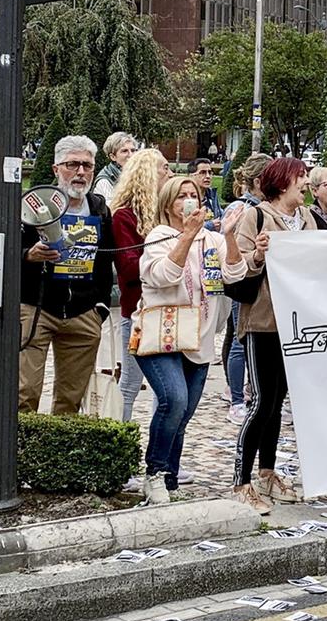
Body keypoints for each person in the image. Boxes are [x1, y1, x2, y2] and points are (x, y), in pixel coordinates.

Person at [224, 155, 315, 512]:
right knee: (261, 400)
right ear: (283, 182)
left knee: (277, 401)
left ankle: (267, 471)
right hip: (262, 321)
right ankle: (240, 481)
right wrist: (259, 255)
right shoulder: (256, 215)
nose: (306, 183)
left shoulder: (306, 218)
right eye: (302, 177)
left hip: (294, 324)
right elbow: (237, 268)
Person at [134, 172, 229, 503]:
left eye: (194, 194)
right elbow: (162, 276)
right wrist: (186, 236)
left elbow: (231, 275)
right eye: (181, 195)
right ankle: (155, 473)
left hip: (199, 337)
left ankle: (170, 479)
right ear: (168, 204)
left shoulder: (212, 239)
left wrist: (233, 240)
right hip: (162, 335)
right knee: (172, 400)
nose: (189, 199)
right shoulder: (159, 236)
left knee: (183, 413)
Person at [16, 137, 114, 414]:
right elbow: (7, 249)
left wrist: (100, 308)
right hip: (37, 307)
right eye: (73, 165)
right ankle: (20, 453)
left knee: (71, 399)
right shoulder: (33, 204)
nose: (81, 172)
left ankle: (59, 454)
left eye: (87, 165)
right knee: (25, 393)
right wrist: (28, 255)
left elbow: (105, 259)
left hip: (83, 311)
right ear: (56, 168)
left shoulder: (99, 208)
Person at [108, 147, 169, 421]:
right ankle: (121, 441)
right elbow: (128, 267)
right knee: (131, 383)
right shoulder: (124, 216)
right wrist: (161, 259)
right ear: (147, 174)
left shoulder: (166, 213)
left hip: (168, 308)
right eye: (164, 168)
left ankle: (160, 454)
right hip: (136, 311)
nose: (170, 173)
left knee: (167, 390)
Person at [220, 153, 271, 424]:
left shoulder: (266, 207)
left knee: (243, 338)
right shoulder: (241, 208)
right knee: (240, 339)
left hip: (260, 282)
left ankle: (248, 391)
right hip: (243, 280)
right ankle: (236, 397)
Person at [93, 131, 138, 202]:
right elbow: (112, 210)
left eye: (133, 150)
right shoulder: (105, 181)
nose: (131, 155)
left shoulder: (139, 174)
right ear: (113, 157)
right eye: (124, 151)